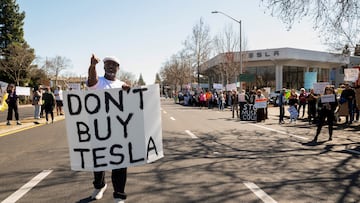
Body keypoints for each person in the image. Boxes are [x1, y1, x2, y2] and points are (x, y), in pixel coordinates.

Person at [87, 54, 130, 203]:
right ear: (104, 66)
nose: (111, 66)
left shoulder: (123, 84)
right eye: (108, 64)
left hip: (118, 130)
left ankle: (119, 194)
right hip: (99, 129)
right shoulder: (98, 82)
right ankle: (99, 186)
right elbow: (91, 81)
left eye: (114, 64)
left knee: (120, 163)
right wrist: (92, 66)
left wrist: (130, 92)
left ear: (118, 68)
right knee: (99, 161)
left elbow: (131, 107)